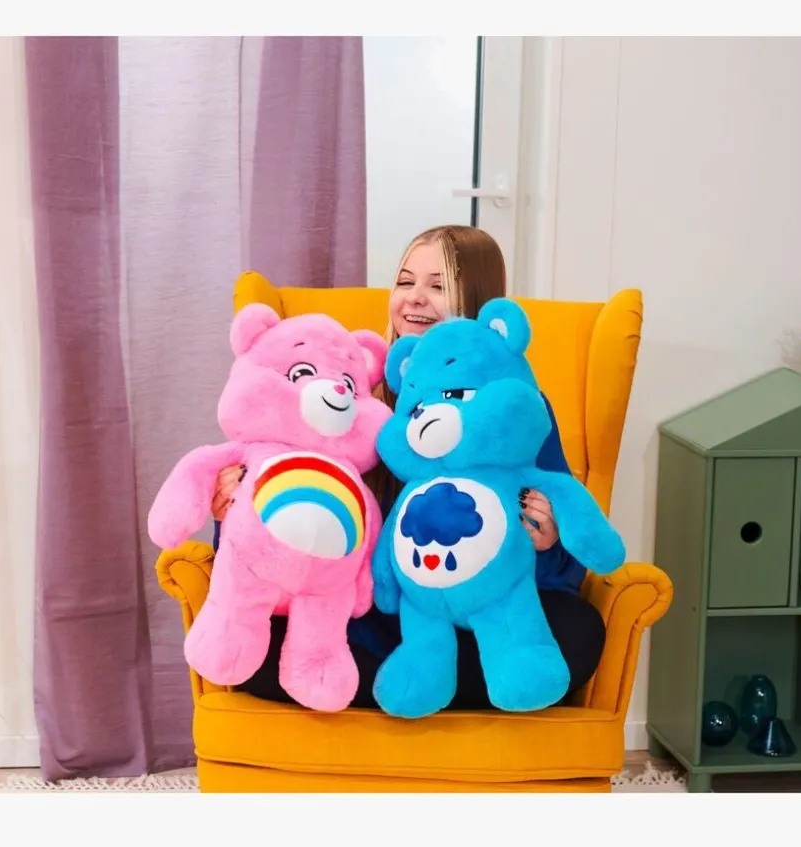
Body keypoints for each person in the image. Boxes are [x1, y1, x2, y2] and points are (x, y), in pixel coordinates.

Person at [208, 224, 607, 711]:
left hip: (475, 611)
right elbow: (273, 519)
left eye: (438, 286)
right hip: (364, 612)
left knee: (578, 630)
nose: (414, 298)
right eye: (404, 281)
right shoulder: (351, 396)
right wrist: (231, 505)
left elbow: (565, 561)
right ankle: (409, 681)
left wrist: (546, 540)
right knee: (265, 642)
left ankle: (407, 684)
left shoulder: (513, 409)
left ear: (475, 302)